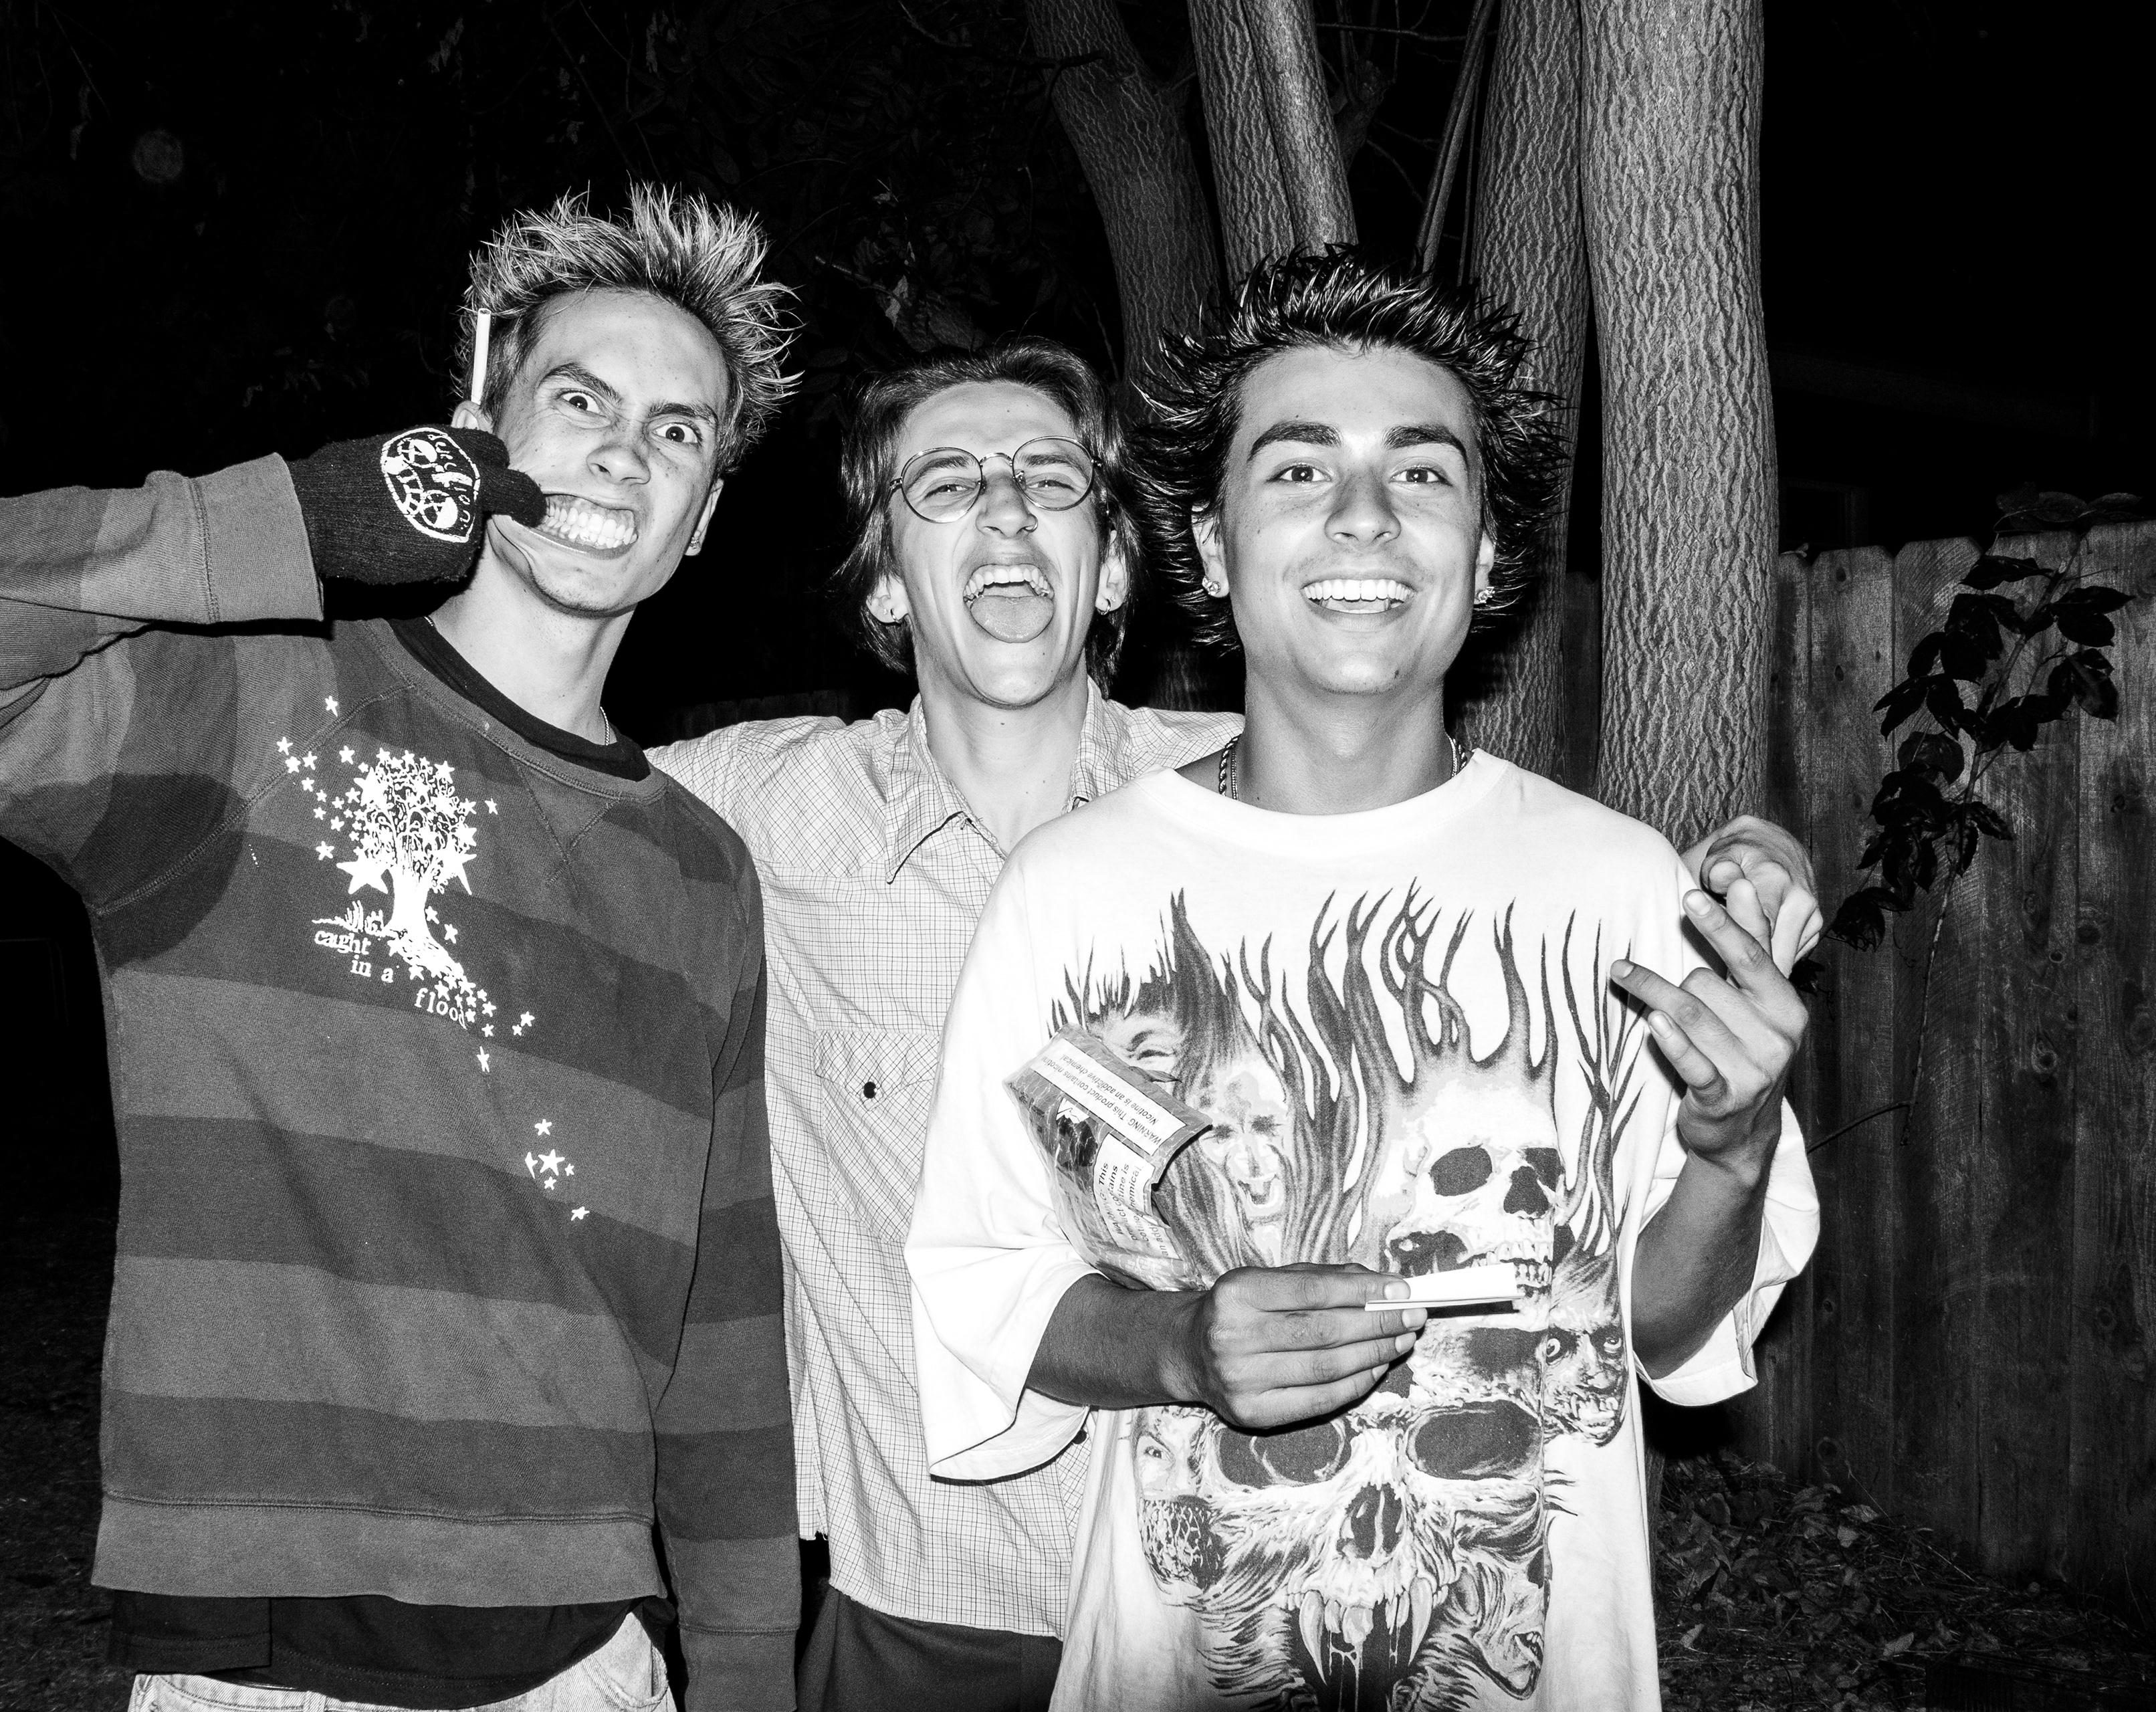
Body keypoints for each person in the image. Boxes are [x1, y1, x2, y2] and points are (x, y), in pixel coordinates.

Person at [648, 336, 1818, 1711]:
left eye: (1050, 478)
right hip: (944, 1581)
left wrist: (1728, 877)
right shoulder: (768, 814)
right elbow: (525, 788)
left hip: (1298, 1593)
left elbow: (1469, 852)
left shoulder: (1258, 796)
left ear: (1119, 563)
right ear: (886, 577)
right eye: (948, 482)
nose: (1007, 509)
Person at [0, 185, 804, 1712]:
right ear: (478, 424)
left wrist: (746, 1655)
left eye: (677, 431)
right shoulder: (247, 716)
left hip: (590, 1657)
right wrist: (288, 526)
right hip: (257, 1659)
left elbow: (722, 1306)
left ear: (704, 513)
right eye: (579, 399)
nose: (620, 455)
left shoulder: (703, 872)